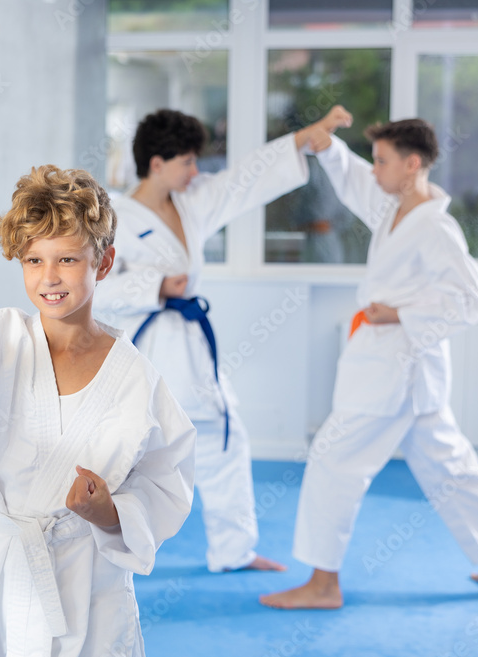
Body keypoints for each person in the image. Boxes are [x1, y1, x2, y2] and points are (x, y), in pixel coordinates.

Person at [0, 165, 197, 657]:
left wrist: (110, 512)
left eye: (67, 258)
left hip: (93, 585)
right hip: (6, 574)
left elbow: (167, 479)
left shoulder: (136, 376)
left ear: (104, 263)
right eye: (33, 260)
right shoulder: (1, 338)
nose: (49, 278)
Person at [260, 112, 478, 609]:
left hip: (396, 372)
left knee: (332, 462)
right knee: (452, 468)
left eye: (382, 161)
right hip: (405, 372)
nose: (373, 170)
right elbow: (357, 182)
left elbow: (471, 299)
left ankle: (323, 585)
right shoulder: (397, 210)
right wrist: (329, 148)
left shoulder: (434, 228)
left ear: (412, 165)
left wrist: (400, 313)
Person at [93, 108, 337, 573]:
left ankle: (233, 550)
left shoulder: (192, 200)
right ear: (157, 163)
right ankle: (96, 548)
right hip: (148, 347)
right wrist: (156, 286)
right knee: (126, 453)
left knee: (225, 441)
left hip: (191, 349)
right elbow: (95, 286)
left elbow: (244, 180)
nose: (196, 170)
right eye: (186, 161)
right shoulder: (114, 217)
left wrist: (300, 141)